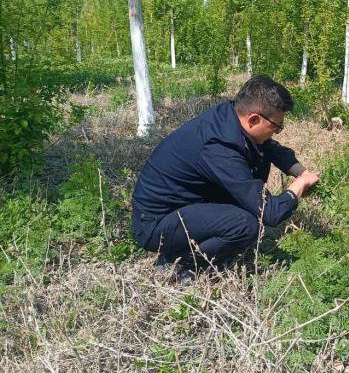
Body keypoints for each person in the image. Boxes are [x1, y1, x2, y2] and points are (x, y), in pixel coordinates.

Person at [131, 75, 320, 278]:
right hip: (155, 225)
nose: (277, 132)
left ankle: (193, 248)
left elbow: (273, 150)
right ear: (254, 119)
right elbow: (269, 212)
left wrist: (302, 172)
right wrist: (298, 187)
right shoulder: (219, 147)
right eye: (277, 127)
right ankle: (181, 262)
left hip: (186, 205)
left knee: (261, 154)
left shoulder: (231, 116)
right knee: (245, 225)